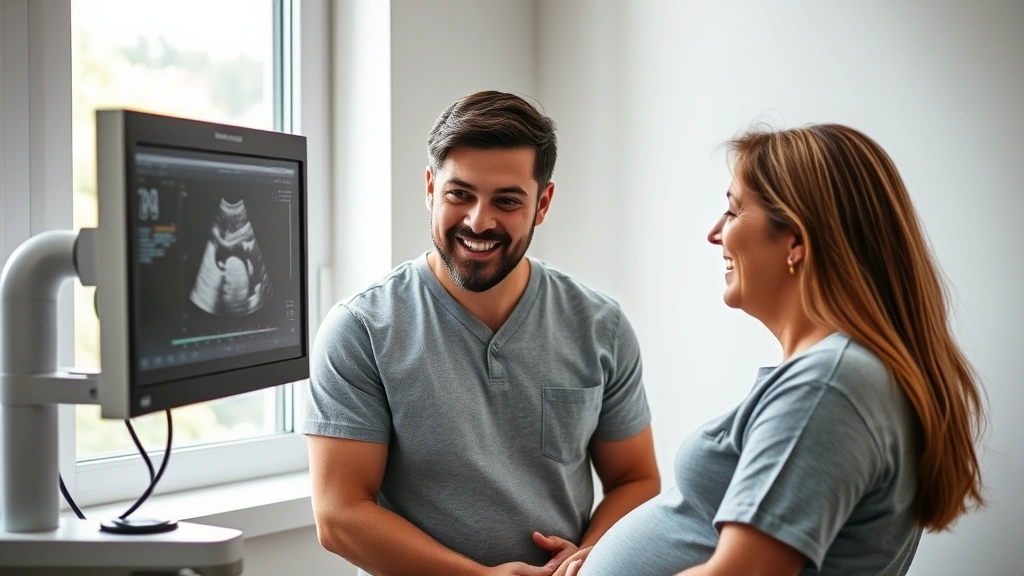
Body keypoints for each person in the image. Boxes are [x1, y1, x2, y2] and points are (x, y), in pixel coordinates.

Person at [563, 124, 986, 576]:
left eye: (732, 211)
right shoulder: (834, 378)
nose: (715, 234)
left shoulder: (827, 386)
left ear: (796, 241)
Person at [303, 90, 661, 576]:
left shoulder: (602, 325)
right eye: (459, 194)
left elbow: (635, 479)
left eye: (507, 201)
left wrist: (586, 556)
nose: (478, 220)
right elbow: (339, 516)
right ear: (431, 188)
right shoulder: (361, 329)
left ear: (543, 203)